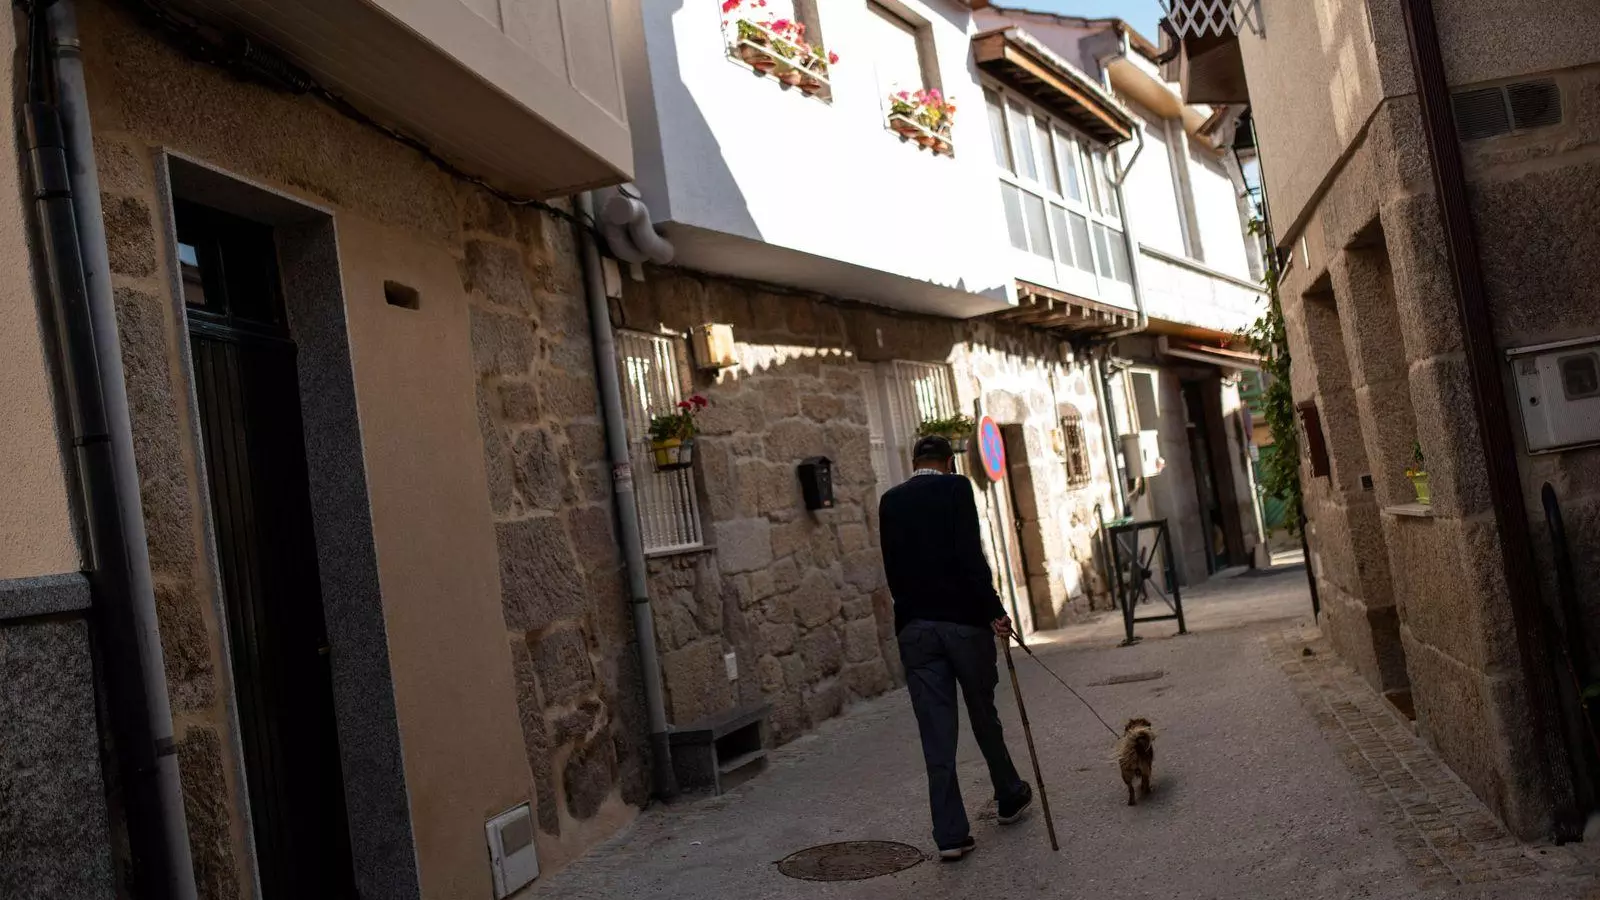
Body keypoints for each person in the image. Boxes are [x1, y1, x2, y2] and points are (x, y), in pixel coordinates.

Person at [877, 435, 1033, 861]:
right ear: (949, 461)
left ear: (914, 462)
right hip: (964, 625)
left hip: (916, 630)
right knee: (984, 714)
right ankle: (1008, 795)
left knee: (936, 732)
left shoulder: (890, 501)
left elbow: (893, 570)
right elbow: (969, 557)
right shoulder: (956, 488)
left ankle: (950, 835)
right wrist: (995, 610)